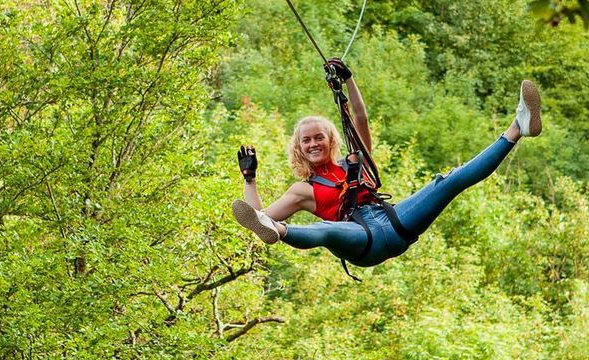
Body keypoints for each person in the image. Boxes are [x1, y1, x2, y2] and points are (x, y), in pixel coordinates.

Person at [231, 64, 542, 267]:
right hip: (358, 240)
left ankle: (518, 127)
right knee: (324, 231)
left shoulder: (355, 163)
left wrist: (348, 80)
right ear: (298, 148)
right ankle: (283, 231)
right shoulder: (302, 191)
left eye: (319, 137)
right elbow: (258, 218)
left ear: (330, 140)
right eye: (306, 140)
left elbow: (360, 119)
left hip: (394, 223)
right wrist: (249, 179)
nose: (313, 144)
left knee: (447, 182)